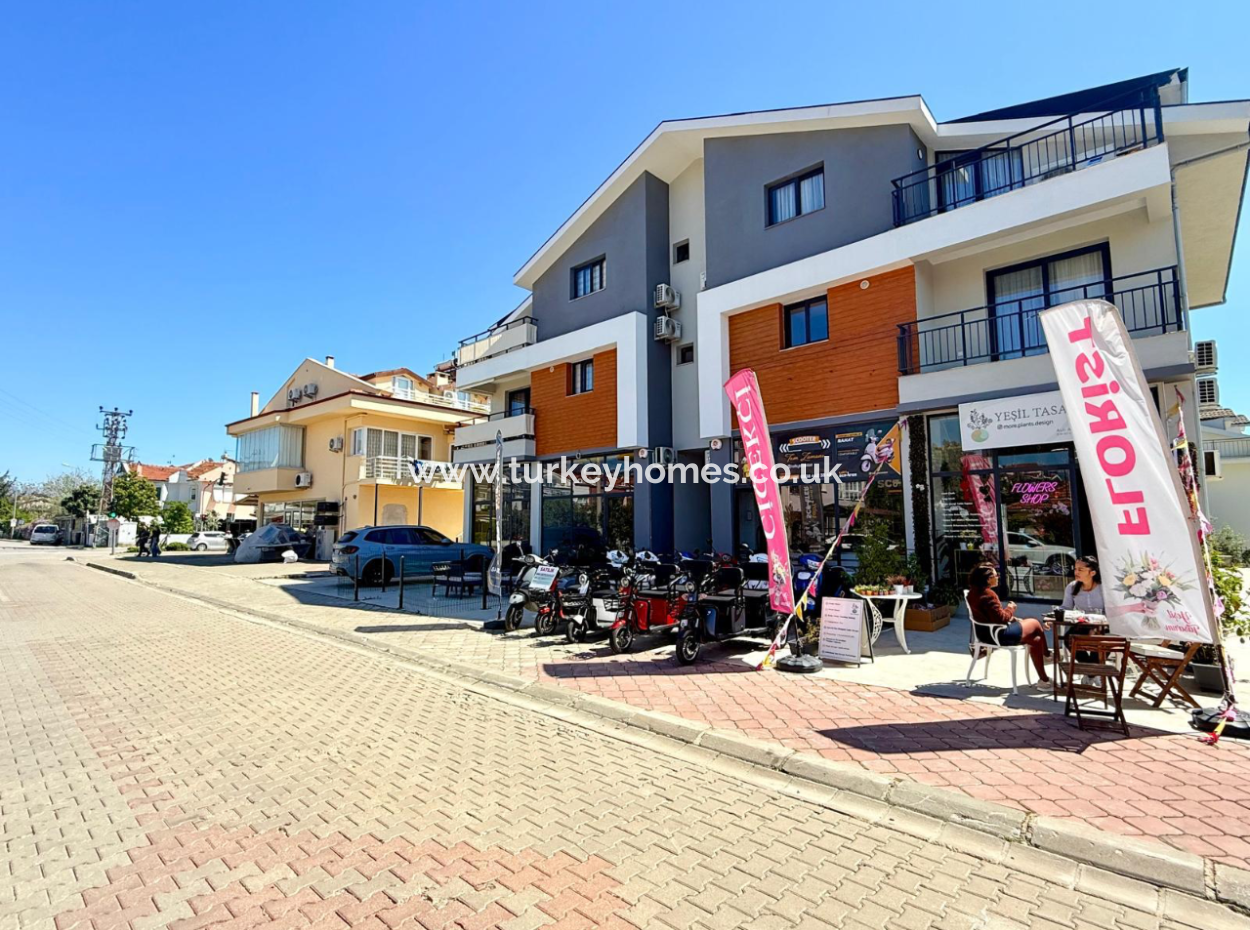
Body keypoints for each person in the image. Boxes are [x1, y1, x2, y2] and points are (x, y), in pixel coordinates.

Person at [967, 563, 1050, 684]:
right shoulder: (989, 594)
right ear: (988, 579)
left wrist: (1013, 618)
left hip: (985, 635)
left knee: (1036, 640)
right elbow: (1001, 618)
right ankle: (1047, 655)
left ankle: (1044, 680)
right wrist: (1011, 608)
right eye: (996, 575)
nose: (998, 577)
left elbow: (991, 616)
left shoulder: (972, 593)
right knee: (1035, 623)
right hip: (999, 635)